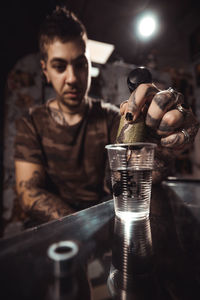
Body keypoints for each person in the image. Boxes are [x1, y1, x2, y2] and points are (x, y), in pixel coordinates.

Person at [14, 6, 199, 225]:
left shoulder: (114, 118)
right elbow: (29, 192)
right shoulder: (31, 123)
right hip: (59, 234)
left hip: (105, 222)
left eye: (80, 64)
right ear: (45, 70)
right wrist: (82, 228)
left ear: (90, 63)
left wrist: (157, 145)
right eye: (59, 66)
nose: (72, 78)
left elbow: (126, 180)